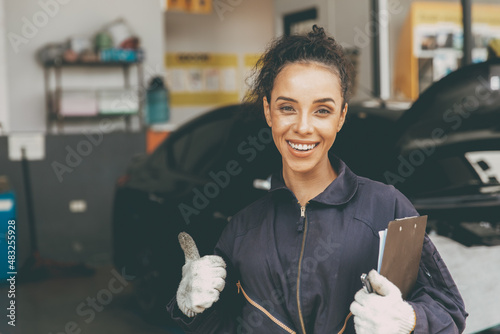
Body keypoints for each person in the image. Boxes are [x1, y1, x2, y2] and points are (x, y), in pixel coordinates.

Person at [167, 25, 467, 334]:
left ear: (341, 117)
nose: (303, 127)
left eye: (322, 110)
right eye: (287, 108)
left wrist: (410, 320)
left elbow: (450, 312)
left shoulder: (387, 208)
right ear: (269, 112)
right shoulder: (242, 228)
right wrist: (189, 308)